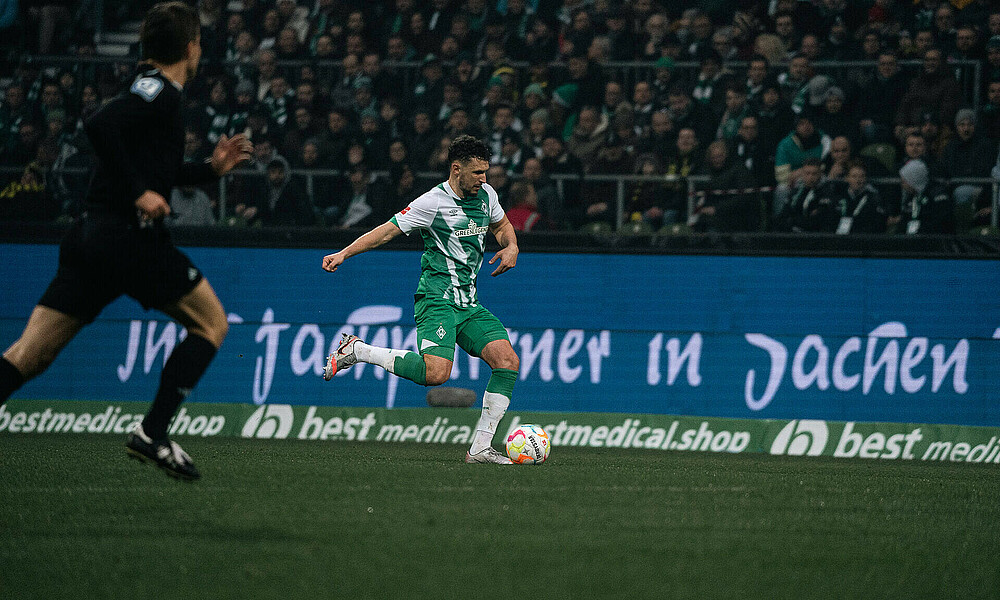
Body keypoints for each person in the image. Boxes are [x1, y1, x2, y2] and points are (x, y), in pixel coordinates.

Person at [0, 2, 252, 480]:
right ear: (191, 46)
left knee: (28, 356)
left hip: (93, 238)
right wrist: (138, 193)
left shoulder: (152, 91)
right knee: (211, 324)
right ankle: (152, 434)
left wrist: (210, 171)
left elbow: (158, 170)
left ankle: (153, 435)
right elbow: (100, 123)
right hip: (127, 241)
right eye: (198, 41)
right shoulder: (160, 92)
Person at [321, 135, 519, 464]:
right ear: (457, 170)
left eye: (486, 172)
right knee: (436, 374)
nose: (485, 179)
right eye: (478, 173)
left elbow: (502, 226)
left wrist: (511, 246)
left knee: (507, 361)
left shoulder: (486, 196)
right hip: (436, 300)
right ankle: (358, 350)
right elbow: (386, 231)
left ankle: (480, 448)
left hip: (468, 304)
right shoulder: (433, 202)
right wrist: (344, 252)